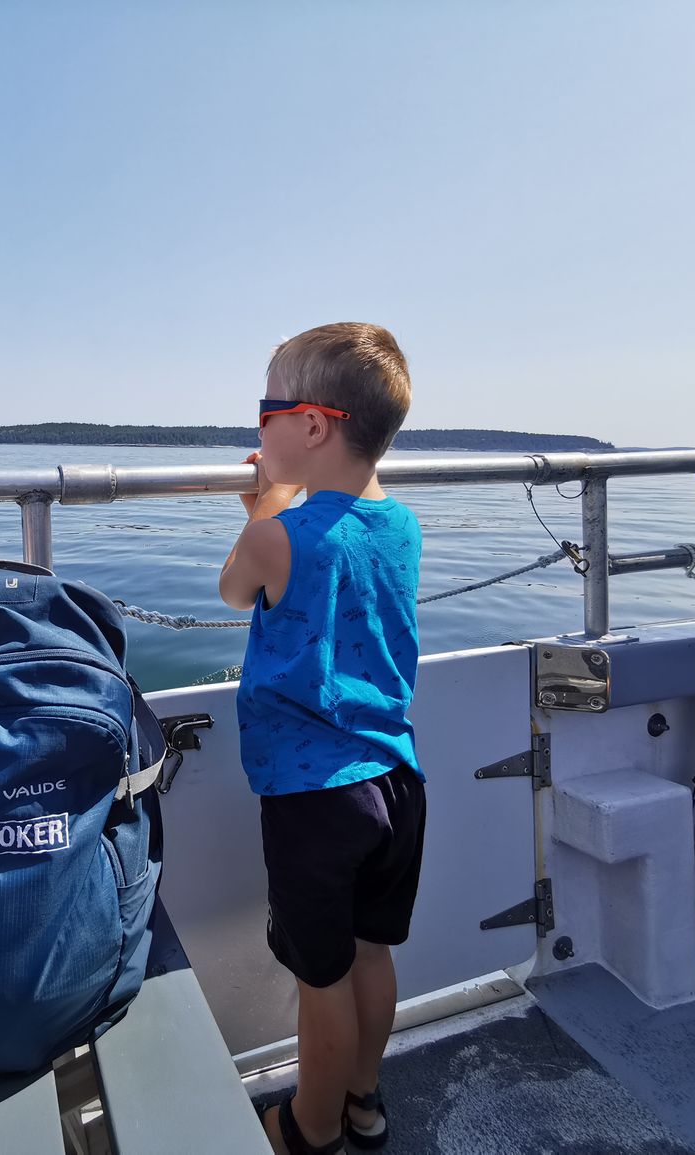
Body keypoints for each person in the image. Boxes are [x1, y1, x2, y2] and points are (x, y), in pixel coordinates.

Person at [219, 322, 427, 1155]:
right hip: (396, 781)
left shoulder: (277, 535)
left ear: (311, 425)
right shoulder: (403, 525)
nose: (258, 427)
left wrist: (267, 503)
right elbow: (339, 545)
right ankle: (365, 1101)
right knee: (372, 956)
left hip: (315, 799)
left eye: (266, 409)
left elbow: (236, 590)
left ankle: (310, 1125)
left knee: (322, 981)